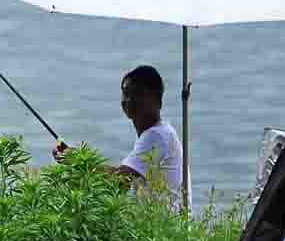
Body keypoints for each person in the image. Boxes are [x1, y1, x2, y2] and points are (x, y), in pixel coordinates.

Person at [54, 64, 189, 212]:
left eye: (138, 94)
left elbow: (119, 181)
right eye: (126, 93)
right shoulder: (160, 133)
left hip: (167, 230)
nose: (130, 100)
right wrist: (75, 159)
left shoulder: (157, 135)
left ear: (157, 101)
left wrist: (78, 161)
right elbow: (123, 178)